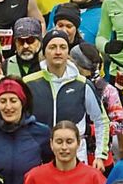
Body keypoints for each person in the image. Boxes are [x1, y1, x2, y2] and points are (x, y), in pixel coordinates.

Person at [22, 30, 110, 168]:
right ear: (44, 53)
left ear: (68, 52)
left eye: (63, 47)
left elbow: (101, 120)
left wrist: (100, 155)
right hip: (36, 155)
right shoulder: (28, 83)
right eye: (52, 47)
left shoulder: (82, 84)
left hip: (75, 155)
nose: (58, 52)